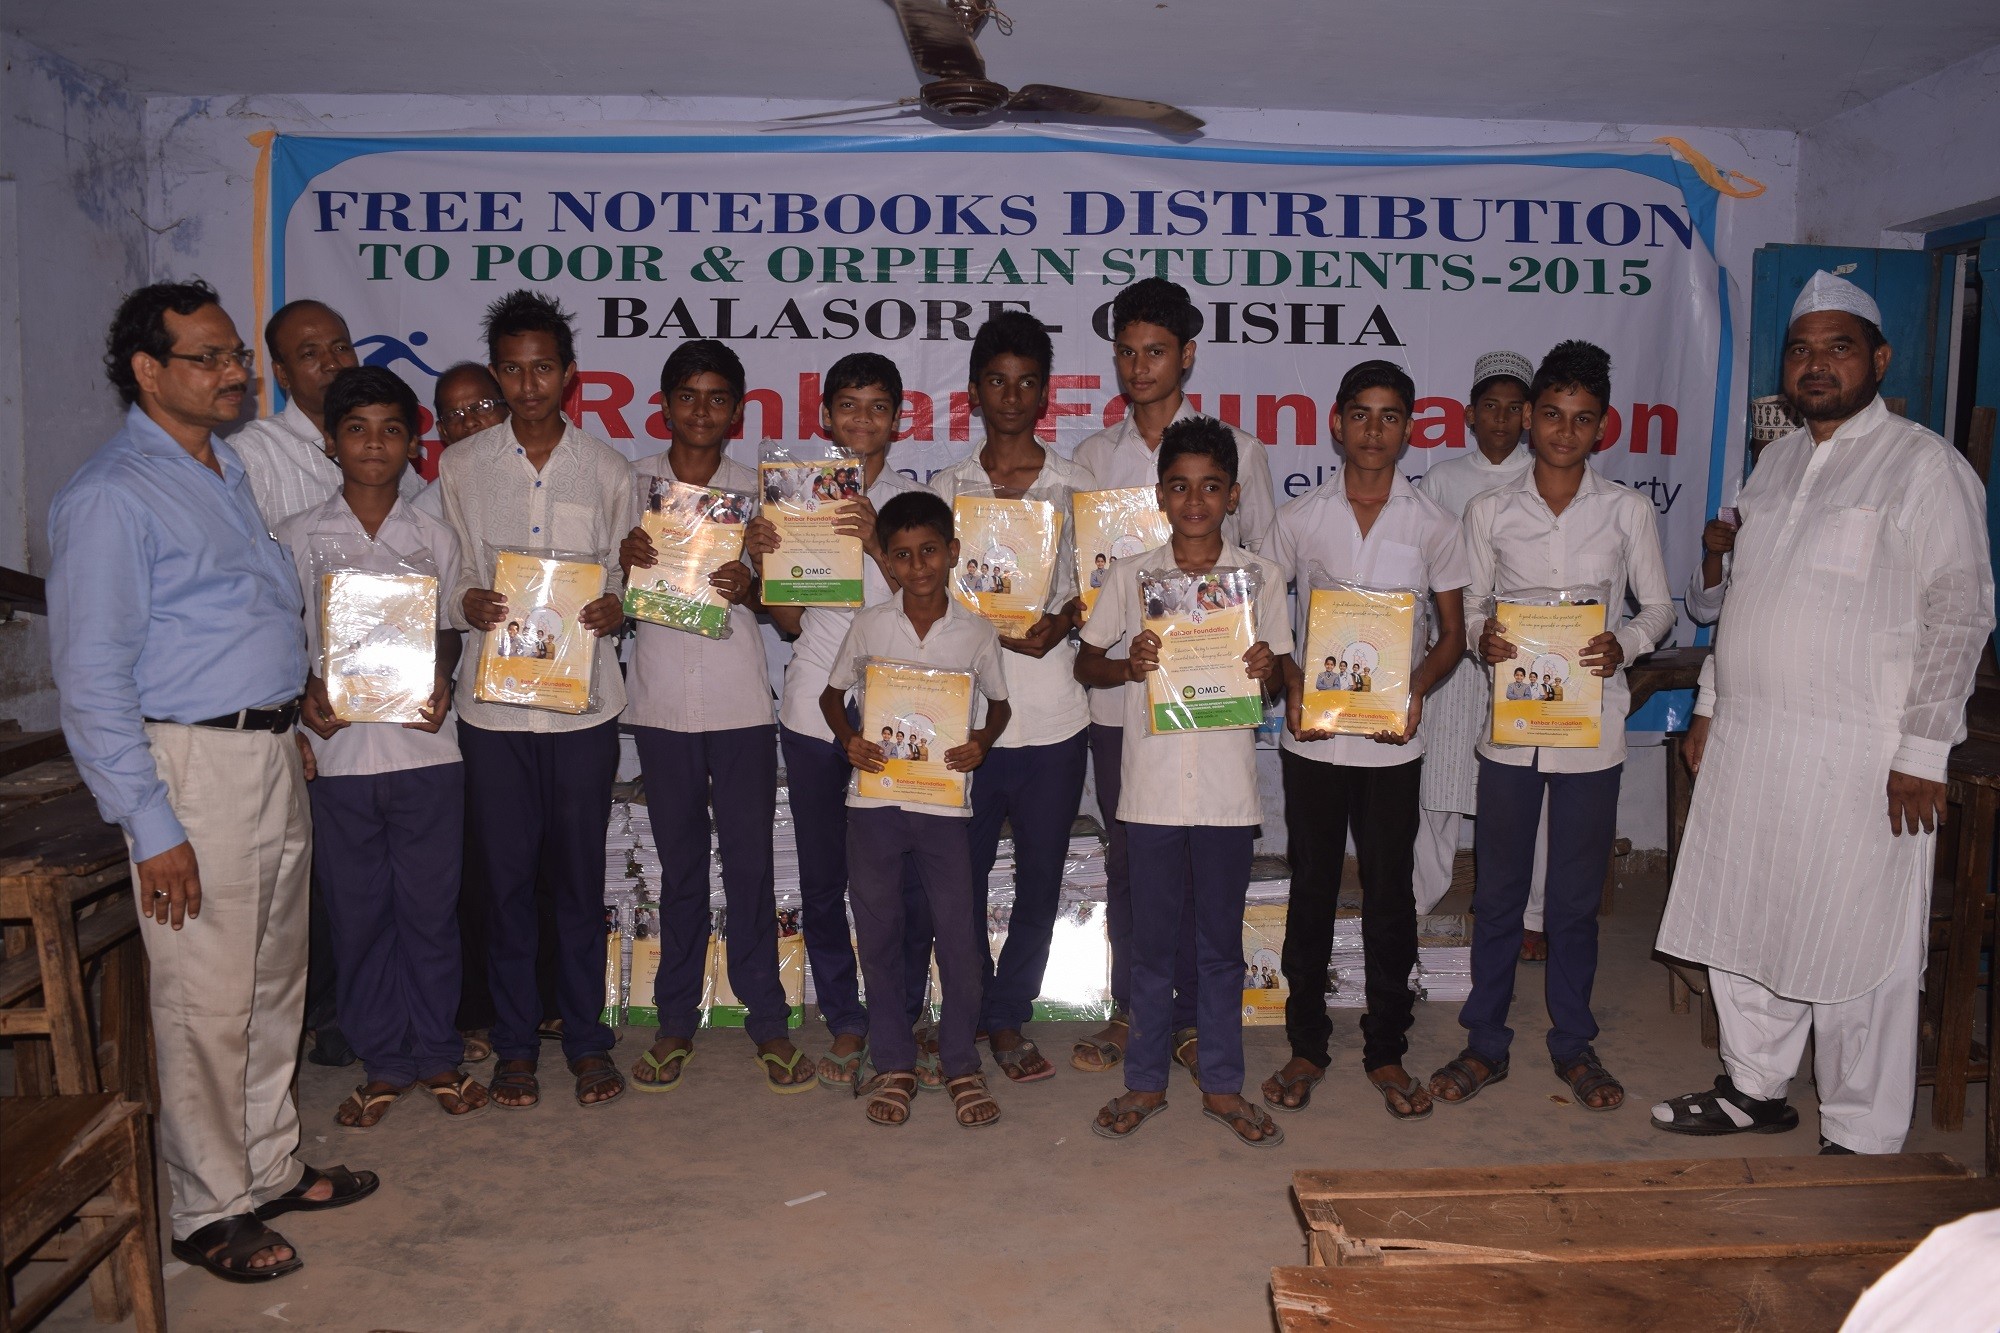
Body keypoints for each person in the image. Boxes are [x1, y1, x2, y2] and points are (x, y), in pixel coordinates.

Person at [48, 280, 376, 1283]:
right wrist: (150, 824)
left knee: (272, 982)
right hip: (189, 769)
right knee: (204, 995)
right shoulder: (111, 496)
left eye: (236, 355)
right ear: (149, 372)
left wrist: (284, 719)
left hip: (267, 752)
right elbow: (92, 678)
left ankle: (267, 1166)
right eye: (211, 358)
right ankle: (206, 1206)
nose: (235, 373)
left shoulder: (222, 468)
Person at [1652, 271, 1994, 1155]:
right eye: (1801, 350)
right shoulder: (1774, 464)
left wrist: (1923, 750)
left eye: (1838, 347)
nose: (1816, 365)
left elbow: (1960, 611)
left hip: (1863, 754)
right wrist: (1711, 706)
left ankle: (1861, 1130)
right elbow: (1745, 598)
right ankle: (1754, 1087)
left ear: (1878, 358)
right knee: (1747, 912)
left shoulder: (1924, 465)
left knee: (1858, 937)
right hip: (1753, 740)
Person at [1429, 339, 1674, 1115]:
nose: (1566, 431)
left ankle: (1573, 1042)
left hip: (1591, 733)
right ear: (1531, 419)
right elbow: (1471, 606)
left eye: (1582, 419)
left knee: (1572, 900)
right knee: (1499, 893)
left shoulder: (1626, 510)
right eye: (1553, 415)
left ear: (1602, 427)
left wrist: (1625, 642)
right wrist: (1485, 637)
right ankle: (1485, 1041)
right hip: (1511, 729)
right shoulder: (1490, 511)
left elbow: (1659, 608)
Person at [1070, 278, 1277, 1076]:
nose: (1139, 367)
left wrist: (1260, 660)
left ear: (1186, 355)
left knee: (1208, 880)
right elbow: (1088, 594)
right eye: (1126, 353)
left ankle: (1197, 1025)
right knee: (1134, 866)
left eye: (1154, 351)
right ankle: (1137, 1016)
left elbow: (1263, 578)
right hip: (1130, 709)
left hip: (1216, 716)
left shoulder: (1240, 449)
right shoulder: (1095, 455)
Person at [1260, 361, 1470, 1121]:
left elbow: (1453, 636)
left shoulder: (1434, 524)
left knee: (1389, 894)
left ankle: (1386, 1047)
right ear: (1336, 423)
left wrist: (1415, 689)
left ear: (1409, 428)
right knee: (1312, 890)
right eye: (1360, 414)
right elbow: (1269, 616)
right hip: (1314, 741)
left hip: (1391, 744)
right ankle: (1306, 1044)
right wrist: (1291, 680)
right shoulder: (1300, 518)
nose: (1373, 431)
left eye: (1389, 416)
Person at [438, 289, 632, 1110]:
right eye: (512, 371)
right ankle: (515, 1046)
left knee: (579, 880)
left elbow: (627, 574)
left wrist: (617, 605)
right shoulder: (460, 468)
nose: (528, 385)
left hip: (583, 709)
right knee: (506, 882)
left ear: (569, 374)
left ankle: (586, 1039)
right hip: (493, 711)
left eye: (542, 368)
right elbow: (449, 571)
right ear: (498, 375)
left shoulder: (609, 469)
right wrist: (466, 602)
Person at [283, 366, 487, 1127]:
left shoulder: (436, 537)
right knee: (359, 913)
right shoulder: (296, 538)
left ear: (413, 446)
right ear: (331, 443)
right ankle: (384, 1060)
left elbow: (453, 630)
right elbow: (281, 639)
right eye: (357, 429)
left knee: (431, 912)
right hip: (336, 756)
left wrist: (441, 677)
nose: (375, 444)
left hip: (427, 755)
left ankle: (435, 1050)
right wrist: (299, 695)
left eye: (392, 430)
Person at [1078, 417, 1291, 1147]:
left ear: (1233, 495)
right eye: (1179, 486)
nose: (1195, 501)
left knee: (1220, 944)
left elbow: (1282, 678)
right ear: (1160, 495)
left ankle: (1222, 1084)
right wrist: (1127, 664)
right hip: (1152, 791)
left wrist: (1268, 669)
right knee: (1151, 944)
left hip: (1227, 793)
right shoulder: (1132, 576)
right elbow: (1086, 662)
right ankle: (1144, 1081)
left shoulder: (1260, 578)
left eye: (1210, 487)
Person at [615, 340, 811, 1094]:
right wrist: (625, 562)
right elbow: (603, 596)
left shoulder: (759, 494)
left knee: (752, 863)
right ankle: (675, 1021)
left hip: (738, 704)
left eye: (718, 397)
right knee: (680, 867)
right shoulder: (632, 487)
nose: (702, 410)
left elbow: (785, 604)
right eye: (688, 396)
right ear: (665, 405)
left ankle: (768, 1019)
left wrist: (751, 583)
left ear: (737, 411)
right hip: (661, 703)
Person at [926, 311, 1095, 1084]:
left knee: (1040, 880)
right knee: (956, 882)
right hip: (965, 721)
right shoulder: (945, 488)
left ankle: (1006, 1014)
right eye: (997, 381)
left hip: (1052, 716)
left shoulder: (1076, 485)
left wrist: (1064, 620)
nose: (1012, 396)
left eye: (1027, 383)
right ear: (973, 391)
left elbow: (1103, 592)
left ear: (1044, 393)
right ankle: (968, 1005)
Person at [760, 352, 937, 1089]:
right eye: (849, 406)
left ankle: (902, 1010)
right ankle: (844, 1016)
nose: (863, 420)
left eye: (878, 407)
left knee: (903, 874)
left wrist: (873, 541)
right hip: (813, 707)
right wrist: (767, 559)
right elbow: (788, 622)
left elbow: (930, 606)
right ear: (826, 417)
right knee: (823, 875)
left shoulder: (913, 504)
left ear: (898, 420)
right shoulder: (794, 495)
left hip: (899, 709)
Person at [821, 491, 1013, 1128]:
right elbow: (831, 695)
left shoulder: (976, 631)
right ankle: (894, 1062)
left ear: (952, 553)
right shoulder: (871, 624)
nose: (918, 566)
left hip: (944, 808)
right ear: (888, 561)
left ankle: (960, 1062)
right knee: (879, 935)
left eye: (929, 551)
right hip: (875, 804)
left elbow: (1000, 705)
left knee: (958, 938)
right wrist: (849, 739)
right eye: (902, 555)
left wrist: (982, 742)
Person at [1413, 351, 1550, 939]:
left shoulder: (1543, 476)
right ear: (1469, 414)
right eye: (1489, 407)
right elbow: (1422, 562)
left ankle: (1530, 914)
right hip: (1453, 648)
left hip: (1520, 652)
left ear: (1530, 416)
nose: (1501, 418)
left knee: (1524, 786)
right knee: (1439, 782)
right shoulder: (1443, 479)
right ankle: (1418, 901)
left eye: (1514, 408)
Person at [233, 299, 425, 530]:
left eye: (341, 348)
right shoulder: (251, 452)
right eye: (309, 354)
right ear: (282, 374)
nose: (332, 364)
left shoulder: (388, 445)